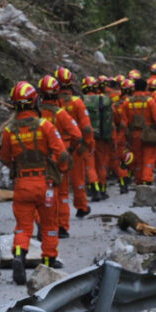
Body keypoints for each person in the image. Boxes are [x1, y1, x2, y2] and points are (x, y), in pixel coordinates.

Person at [0, 81, 69, 285]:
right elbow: (62, 154)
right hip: (44, 183)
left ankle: (19, 255)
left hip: (22, 184)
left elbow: (5, 157)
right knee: (49, 225)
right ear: (34, 102)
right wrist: (60, 170)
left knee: (23, 226)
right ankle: (46, 264)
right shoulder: (45, 126)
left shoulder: (9, 131)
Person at [37, 75, 82, 239]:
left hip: (39, 160)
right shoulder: (61, 114)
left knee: (41, 195)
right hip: (59, 158)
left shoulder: (36, 114)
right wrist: (70, 151)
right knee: (61, 194)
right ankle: (61, 227)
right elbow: (77, 134)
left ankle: (43, 225)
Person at [53, 67, 94, 217]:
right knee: (78, 179)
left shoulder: (52, 105)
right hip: (76, 146)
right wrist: (88, 143)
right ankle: (82, 207)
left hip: (56, 147)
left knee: (60, 182)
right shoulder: (77, 102)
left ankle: (57, 211)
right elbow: (87, 127)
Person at [122, 77, 156, 185]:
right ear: (145, 87)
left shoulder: (127, 102)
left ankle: (139, 181)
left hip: (134, 134)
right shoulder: (150, 101)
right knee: (149, 158)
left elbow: (124, 123)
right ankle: (147, 180)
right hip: (148, 133)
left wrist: (125, 137)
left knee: (137, 159)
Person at [81, 76, 114, 202]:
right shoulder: (105, 100)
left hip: (87, 137)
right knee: (102, 163)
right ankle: (103, 188)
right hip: (102, 137)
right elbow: (111, 119)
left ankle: (93, 188)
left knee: (90, 164)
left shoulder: (81, 101)